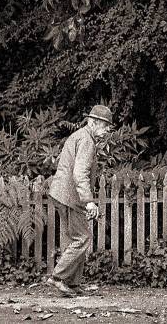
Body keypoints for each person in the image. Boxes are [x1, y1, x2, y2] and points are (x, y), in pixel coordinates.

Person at [45, 104, 113, 296]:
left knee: (77, 237)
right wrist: (89, 201)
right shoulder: (87, 141)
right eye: (106, 125)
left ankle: (72, 284)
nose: (108, 130)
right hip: (70, 196)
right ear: (94, 122)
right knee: (83, 238)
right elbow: (80, 173)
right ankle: (58, 277)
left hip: (64, 194)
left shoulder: (80, 136)